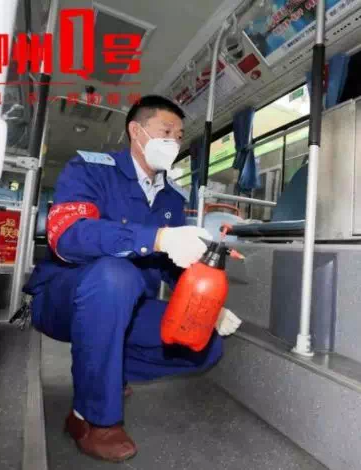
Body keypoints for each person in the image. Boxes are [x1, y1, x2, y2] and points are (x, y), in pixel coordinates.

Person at [23, 95, 242, 462]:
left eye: (179, 135)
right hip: (64, 297)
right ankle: (91, 418)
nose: (174, 142)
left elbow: (175, 266)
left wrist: (207, 308)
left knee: (205, 346)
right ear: (137, 131)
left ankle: (105, 371)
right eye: (166, 132)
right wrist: (156, 238)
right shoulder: (91, 170)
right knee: (115, 274)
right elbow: (69, 236)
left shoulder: (171, 200)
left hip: (126, 307)